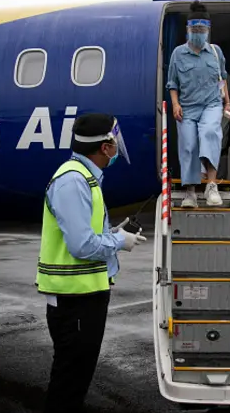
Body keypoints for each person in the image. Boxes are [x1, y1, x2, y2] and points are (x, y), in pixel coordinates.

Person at [36, 113, 147, 413]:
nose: (115, 151)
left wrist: (112, 233)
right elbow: (82, 245)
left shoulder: (85, 179)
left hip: (84, 296)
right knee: (69, 383)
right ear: (105, 148)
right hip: (76, 300)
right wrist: (119, 242)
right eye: (113, 144)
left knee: (75, 379)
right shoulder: (73, 181)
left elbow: (83, 234)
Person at [166, 0, 230, 208]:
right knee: (188, 146)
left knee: (210, 134)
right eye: (195, 29)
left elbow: (221, 79)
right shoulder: (178, 53)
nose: (199, 32)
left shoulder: (215, 52)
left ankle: (211, 185)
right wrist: (175, 104)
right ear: (188, 30)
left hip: (211, 104)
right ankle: (190, 193)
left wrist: (227, 103)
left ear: (208, 30)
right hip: (187, 107)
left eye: (202, 29)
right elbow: (172, 83)